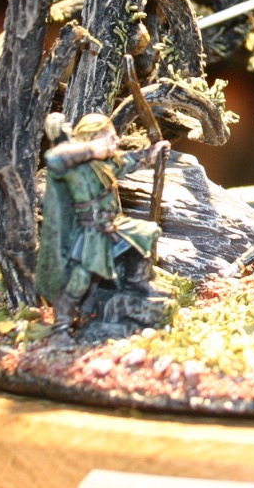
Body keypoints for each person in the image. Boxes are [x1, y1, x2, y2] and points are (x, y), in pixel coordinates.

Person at [42, 113, 170, 329]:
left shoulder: (105, 164)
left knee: (146, 233)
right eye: (109, 137)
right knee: (81, 278)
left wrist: (153, 152)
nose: (116, 141)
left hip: (112, 225)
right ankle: (62, 326)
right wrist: (90, 149)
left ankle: (136, 284)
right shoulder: (75, 168)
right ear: (93, 139)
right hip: (89, 232)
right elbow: (54, 159)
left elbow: (127, 161)